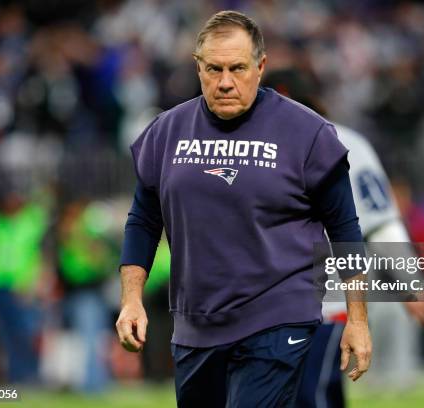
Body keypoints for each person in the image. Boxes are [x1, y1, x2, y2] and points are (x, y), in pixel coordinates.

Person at [116, 10, 371, 407]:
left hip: (279, 315)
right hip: (196, 325)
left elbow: (345, 229)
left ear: (261, 66)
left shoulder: (308, 134)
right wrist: (131, 299)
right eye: (213, 69)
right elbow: (143, 221)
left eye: (237, 68)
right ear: (197, 67)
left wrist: (357, 319)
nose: (225, 82)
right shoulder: (165, 133)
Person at [263, 69, 424, 407]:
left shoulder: (343, 143)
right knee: (317, 393)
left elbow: (380, 224)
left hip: (327, 301)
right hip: (276, 302)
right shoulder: (262, 146)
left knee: (308, 394)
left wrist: (409, 282)